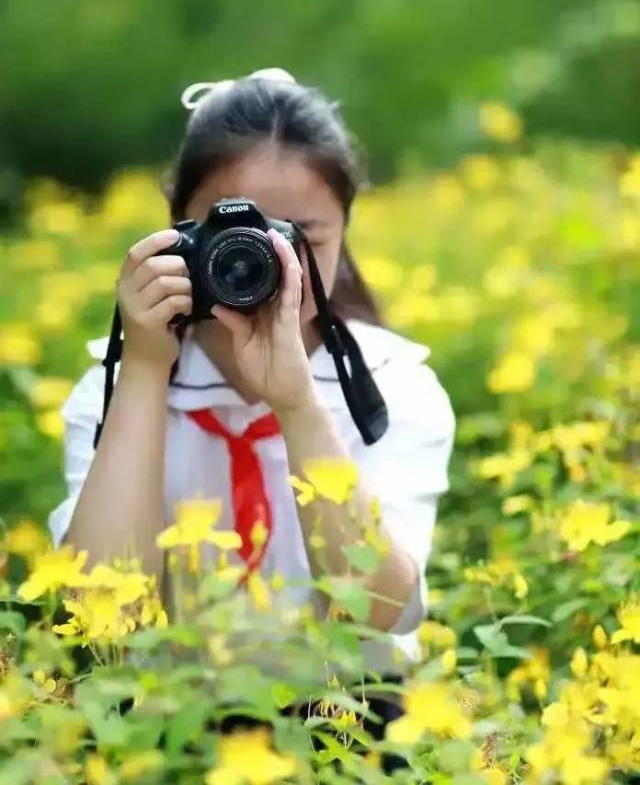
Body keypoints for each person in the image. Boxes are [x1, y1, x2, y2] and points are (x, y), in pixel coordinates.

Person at [49, 67, 455, 680]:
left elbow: (379, 612)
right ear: (176, 229)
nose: (268, 263)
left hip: (348, 729)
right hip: (165, 731)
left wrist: (297, 406)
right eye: (237, 238)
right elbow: (102, 622)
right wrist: (144, 368)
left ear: (344, 236)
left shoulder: (393, 386)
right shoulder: (111, 388)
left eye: (301, 240)